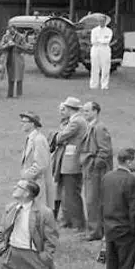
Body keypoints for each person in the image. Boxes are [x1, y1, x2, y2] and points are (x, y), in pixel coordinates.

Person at [78, 101, 112, 242]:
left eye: (87, 111)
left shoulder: (99, 128)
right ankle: (93, 229)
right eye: (83, 111)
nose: (84, 114)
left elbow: (105, 150)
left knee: (94, 200)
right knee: (90, 199)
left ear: (95, 111)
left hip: (96, 170)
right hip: (89, 167)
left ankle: (95, 231)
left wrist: (95, 165)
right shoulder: (90, 126)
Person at [52, 99, 87, 230]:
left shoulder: (76, 121)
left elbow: (60, 137)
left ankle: (78, 223)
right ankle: (68, 220)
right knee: (67, 193)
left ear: (70, 108)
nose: (62, 112)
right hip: (68, 162)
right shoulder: (74, 120)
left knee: (72, 194)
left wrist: (56, 136)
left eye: (64, 109)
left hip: (72, 162)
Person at [18, 112, 55, 211]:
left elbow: (41, 165)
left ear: (33, 124)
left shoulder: (38, 140)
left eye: (24, 122)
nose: (21, 124)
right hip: (32, 183)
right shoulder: (31, 138)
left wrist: (26, 176)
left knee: (38, 211)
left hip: (37, 183)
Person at [0, 25, 28, 100]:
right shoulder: (6, 36)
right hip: (9, 57)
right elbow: (0, 47)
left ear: (15, 30)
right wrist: (7, 44)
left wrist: (15, 44)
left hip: (18, 58)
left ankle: (19, 94)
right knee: (11, 76)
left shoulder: (21, 37)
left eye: (11, 30)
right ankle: (10, 94)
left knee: (19, 76)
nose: (10, 31)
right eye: (9, 30)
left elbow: (25, 47)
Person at [88, 18, 113, 91]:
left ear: (105, 22)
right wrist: (101, 40)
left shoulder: (109, 31)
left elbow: (107, 41)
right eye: (100, 21)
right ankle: (93, 85)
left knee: (105, 68)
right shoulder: (94, 30)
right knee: (94, 68)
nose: (101, 22)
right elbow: (93, 41)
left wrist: (99, 40)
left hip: (105, 49)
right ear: (98, 22)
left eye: (103, 21)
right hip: (95, 49)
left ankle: (104, 85)